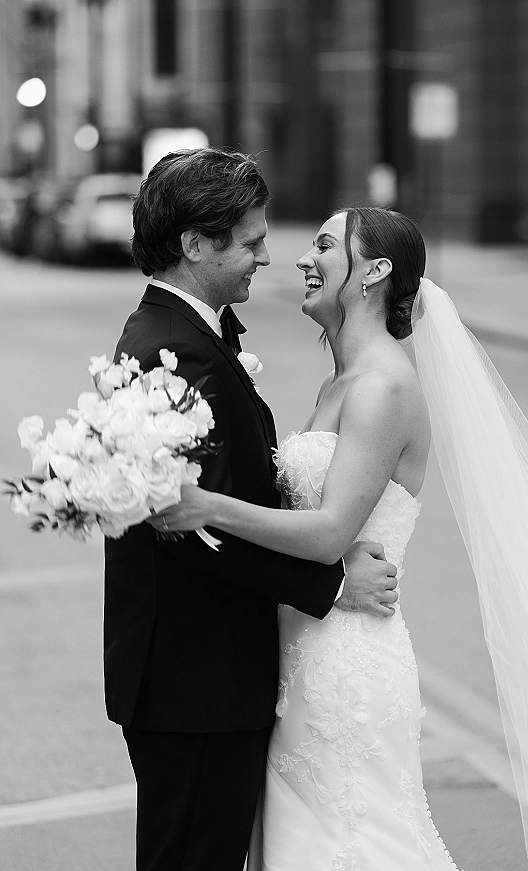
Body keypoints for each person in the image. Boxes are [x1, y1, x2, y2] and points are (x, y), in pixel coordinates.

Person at [153, 206, 528, 871]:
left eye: (325, 244)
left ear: (374, 271)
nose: (300, 257)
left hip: (347, 665)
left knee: (355, 844)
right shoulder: (339, 383)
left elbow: (328, 536)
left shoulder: (382, 386)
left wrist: (205, 505)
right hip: (304, 647)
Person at [104, 148, 399, 871]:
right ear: (195, 244)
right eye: (252, 241)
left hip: (196, 676)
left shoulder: (184, 341)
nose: (267, 256)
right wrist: (332, 584)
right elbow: (196, 527)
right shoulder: (174, 355)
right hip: (195, 682)